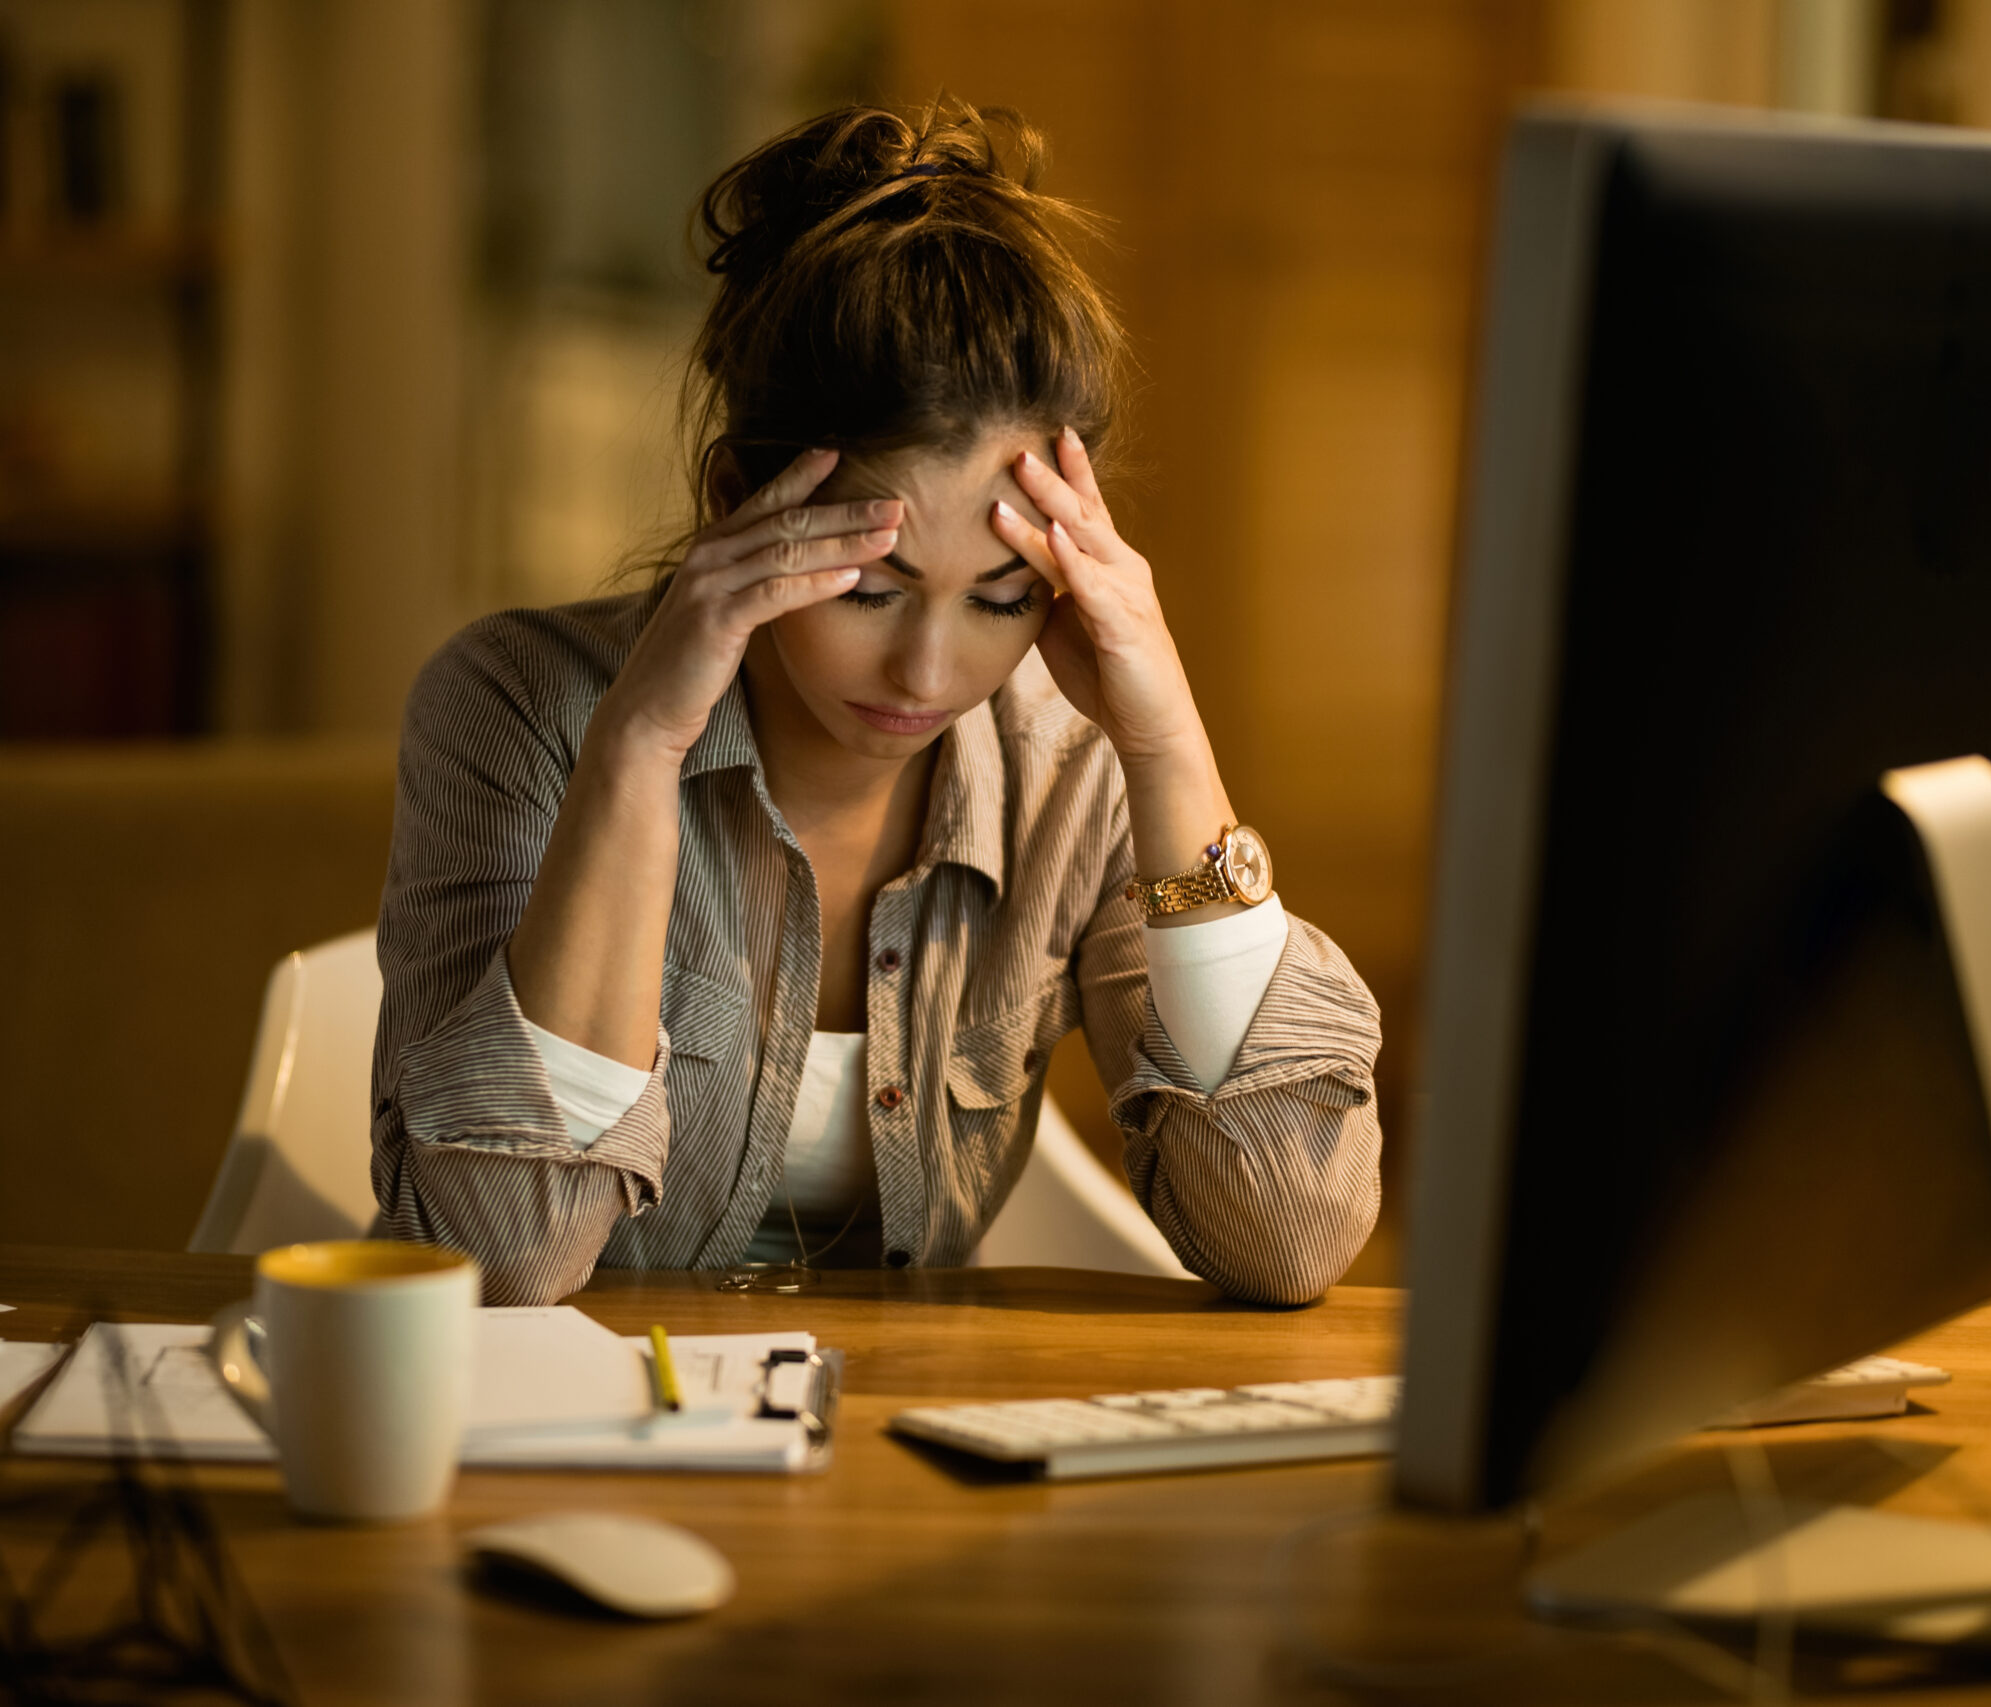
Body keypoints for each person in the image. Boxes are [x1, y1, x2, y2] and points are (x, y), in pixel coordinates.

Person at [371, 101, 1382, 1307]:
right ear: (735, 500)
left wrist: (1166, 744)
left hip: (902, 1449)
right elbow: (499, 1259)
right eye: (868, 588)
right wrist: (636, 750)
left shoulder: (1069, 772)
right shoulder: (517, 706)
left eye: (1003, 603)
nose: (926, 676)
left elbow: (1289, 1237)